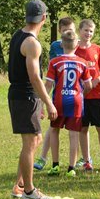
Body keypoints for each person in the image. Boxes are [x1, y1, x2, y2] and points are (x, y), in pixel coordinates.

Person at [7, 0, 57, 199]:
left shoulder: (17, 35)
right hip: (25, 97)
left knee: (36, 139)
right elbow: (35, 77)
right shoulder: (32, 43)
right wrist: (49, 102)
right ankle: (29, 191)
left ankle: (19, 186)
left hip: (23, 96)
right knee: (30, 142)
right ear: (44, 17)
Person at [44, 30, 93, 177]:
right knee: (74, 134)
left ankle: (55, 165)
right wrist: (81, 95)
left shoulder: (54, 62)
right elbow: (89, 85)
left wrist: (45, 102)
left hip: (59, 101)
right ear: (77, 45)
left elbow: (48, 84)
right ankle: (71, 168)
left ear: (61, 44)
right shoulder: (82, 62)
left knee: (54, 130)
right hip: (76, 101)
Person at [34, 17, 76, 171]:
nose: (67, 33)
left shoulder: (76, 44)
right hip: (58, 94)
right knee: (53, 128)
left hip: (74, 95)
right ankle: (44, 158)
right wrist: (44, 102)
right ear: (59, 31)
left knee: (77, 130)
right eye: (65, 30)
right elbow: (52, 72)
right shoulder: (55, 46)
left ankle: (80, 161)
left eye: (70, 30)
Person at [75, 19, 100, 172]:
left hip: (97, 95)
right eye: (86, 30)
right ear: (80, 31)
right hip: (81, 96)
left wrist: (97, 80)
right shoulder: (74, 50)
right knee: (83, 129)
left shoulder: (97, 49)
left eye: (91, 31)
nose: (88, 33)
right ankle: (86, 161)